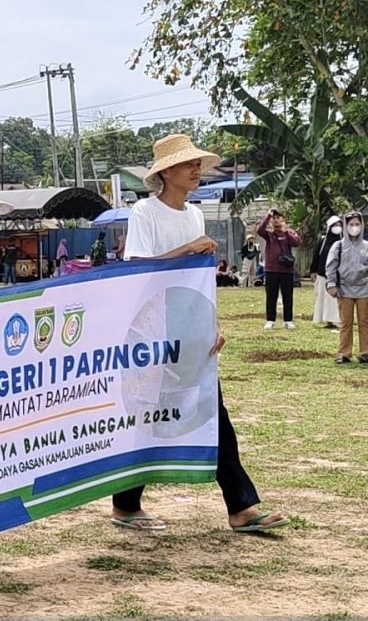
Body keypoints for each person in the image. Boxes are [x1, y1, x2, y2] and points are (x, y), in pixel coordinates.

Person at [113, 134, 286, 534]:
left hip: (191, 327)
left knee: (212, 411)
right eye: (188, 165)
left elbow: (198, 281)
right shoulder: (145, 213)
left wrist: (213, 323)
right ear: (166, 173)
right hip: (154, 330)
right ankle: (125, 502)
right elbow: (136, 270)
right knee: (148, 413)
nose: (196, 170)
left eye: (197, 164)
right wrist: (188, 248)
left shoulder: (193, 214)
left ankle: (241, 505)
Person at [327, 211, 368, 365]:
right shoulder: (338, 246)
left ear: (362, 226)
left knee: (365, 321)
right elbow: (330, 266)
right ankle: (344, 353)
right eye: (351, 224)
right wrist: (331, 285)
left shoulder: (366, 246)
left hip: (364, 289)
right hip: (344, 289)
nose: (354, 227)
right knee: (346, 322)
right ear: (346, 226)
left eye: (357, 224)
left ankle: (365, 352)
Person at [258, 208, 301, 329]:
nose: (276, 220)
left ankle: (288, 320)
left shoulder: (289, 233)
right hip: (271, 270)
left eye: (278, 218)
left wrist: (286, 231)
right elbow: (259, 230)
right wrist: (267, 217)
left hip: (286, 270)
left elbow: (296, 242)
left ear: (283, 220)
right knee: (271, 296)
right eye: (274, 218)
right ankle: (270, 320)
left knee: (288, 296)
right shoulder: (269, 235)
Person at [310, 216, 343, 329]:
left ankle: (334, 320)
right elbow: (316, 256)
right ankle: (326, 320)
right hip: (322, 273)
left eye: (339, 225)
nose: (338, 228)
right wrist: (313, 271)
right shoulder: (323, 240)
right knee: (322, 297)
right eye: (335, 225)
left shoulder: (342, 241)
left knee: (334, 299)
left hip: (337, 276)